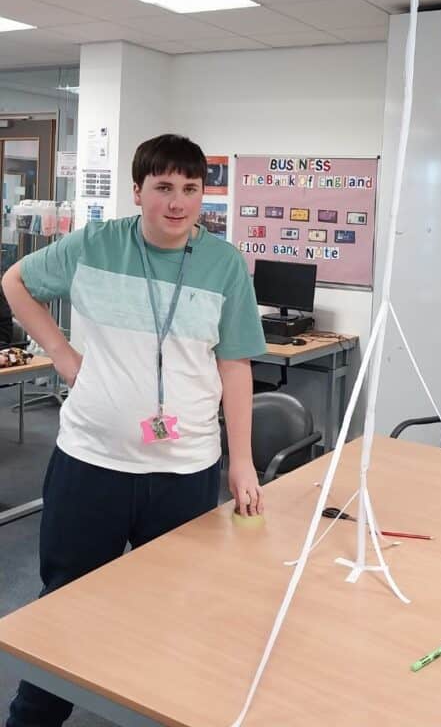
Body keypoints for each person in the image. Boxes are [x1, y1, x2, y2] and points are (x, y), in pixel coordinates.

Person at [3, 134, 266, 727]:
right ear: (138, 190)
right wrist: (62, 355)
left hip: (185, 469)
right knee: (68, 603)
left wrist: (242, 460)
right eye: (163, 188)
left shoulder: (224, 265)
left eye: (190, 189)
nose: (177, 202)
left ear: (203, 194)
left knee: (175, 609)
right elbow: (15, 282)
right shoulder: (95, 244)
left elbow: (236, 364)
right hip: (91, 462)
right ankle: (36, 715)